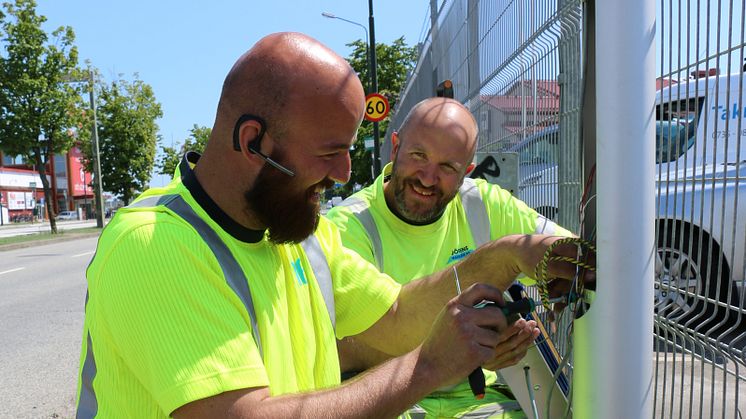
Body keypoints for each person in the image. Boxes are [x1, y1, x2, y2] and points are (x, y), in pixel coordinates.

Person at [75, 32, 582, 418]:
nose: (345, 173)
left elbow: (399, 313)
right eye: (330, 152)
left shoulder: (297, 230)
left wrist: (503, 259)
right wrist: (427, 367)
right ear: (252, 142)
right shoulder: (156, 246)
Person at [326, 97, 574, 418]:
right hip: (386, 399)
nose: (428, 178)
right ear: (395, 147)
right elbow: (346, 351)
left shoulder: (484, 204)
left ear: (467, 171)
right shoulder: (347, 226)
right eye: (419, 156)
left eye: (448, 167)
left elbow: (564, 253)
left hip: (481, 399)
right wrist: (469, 348)